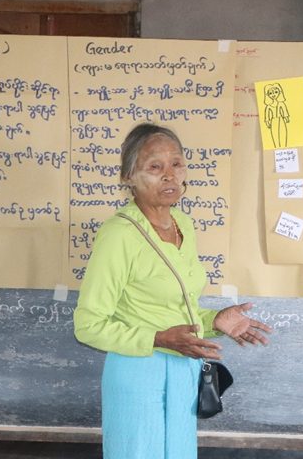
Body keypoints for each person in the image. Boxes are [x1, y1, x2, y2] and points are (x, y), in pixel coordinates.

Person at [74, 122, 272, 459]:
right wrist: (158, 339)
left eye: (176, 164)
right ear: (128, 176)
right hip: (139, 373)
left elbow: (176, 310)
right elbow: (88, 325)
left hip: (184, 369)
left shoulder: (185, 225)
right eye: (155, 166)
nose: (169, 175)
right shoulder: (119, 235)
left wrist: (214, 321)